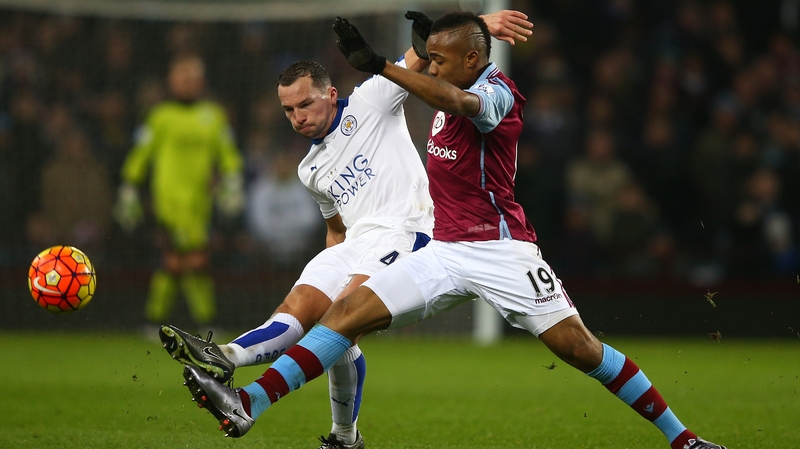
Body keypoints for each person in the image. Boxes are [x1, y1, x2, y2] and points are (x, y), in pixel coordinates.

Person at [179, 12, 727, 449]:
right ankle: (247, 404)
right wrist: (423, 51)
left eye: (439, 60)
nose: (430, 68)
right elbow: (433, 78)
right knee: (343, 315)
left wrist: (384, 66)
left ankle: (684, 439)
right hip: (443, 250)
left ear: (472, 59)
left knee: (582, 349)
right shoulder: (439, 81)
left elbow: (458, 101)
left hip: (502, 251)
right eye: (428, 60)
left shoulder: (497, 94)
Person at [159, 11, 534, 449]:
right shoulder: (309, 169)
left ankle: (267, 399)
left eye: (305, 104)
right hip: (354, 243)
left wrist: (482, 23)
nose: (298, 117)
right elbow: (335, 227)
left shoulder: (370, 100)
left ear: (331, 95)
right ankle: (228, 359)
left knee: (339, 319)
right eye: (288, 110)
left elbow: (419, 57)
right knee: (301, 305)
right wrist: (330, 263)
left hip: (406, 232)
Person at [113, 53, 245, 332]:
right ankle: (204, 320)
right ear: (171, 81)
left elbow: (228, 154)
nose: (187, 82)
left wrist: (233, 182)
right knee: (190, 259)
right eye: (181, 77)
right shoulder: (159, 117)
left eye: (192, 77)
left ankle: (153, 321)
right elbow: (141, 154)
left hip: (201, 203)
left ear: (201, 81)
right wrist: (129, 187)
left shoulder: (214, 116)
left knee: (178, 262)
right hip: (168, 203)